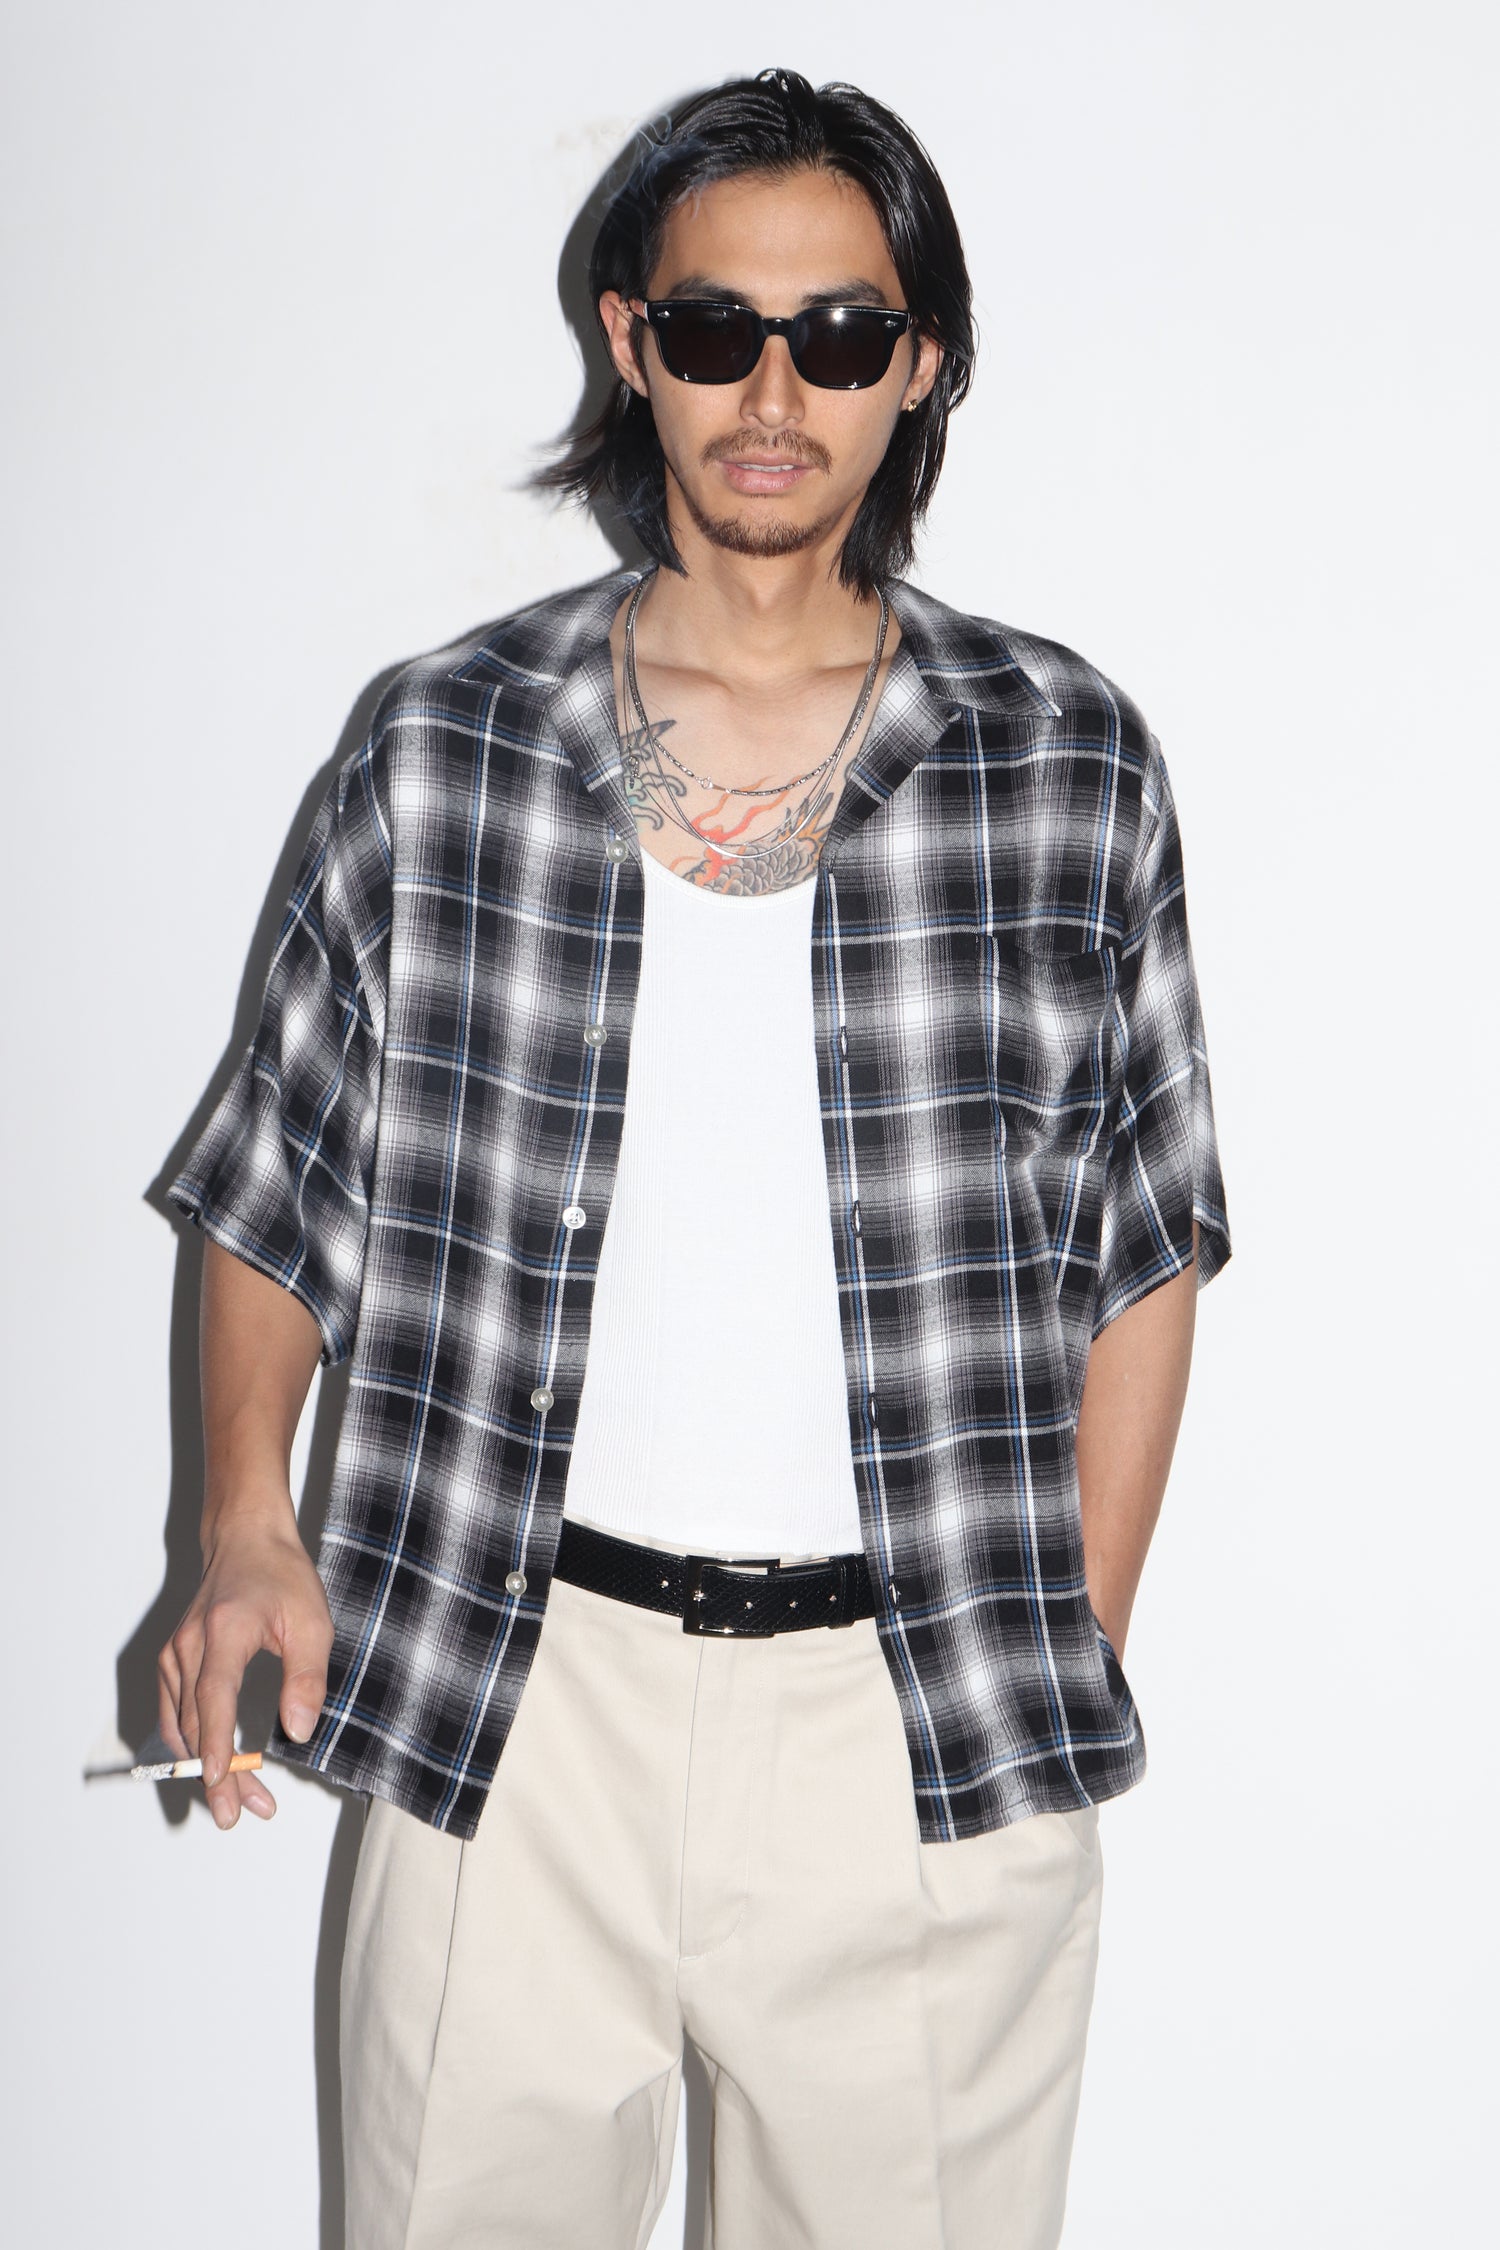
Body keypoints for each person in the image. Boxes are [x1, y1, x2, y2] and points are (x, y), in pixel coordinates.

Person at [159, 65, 1230, 2250]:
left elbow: (1145, 1248)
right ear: (633, 342)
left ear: (917, 364)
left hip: (912, 1723)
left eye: (839, 334)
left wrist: (1060, 1646)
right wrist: (246, 1523)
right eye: (720, 327)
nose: (774, 391)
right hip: (509, 1695)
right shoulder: (443, 747)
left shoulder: (1065, 763)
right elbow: (279, 1179)